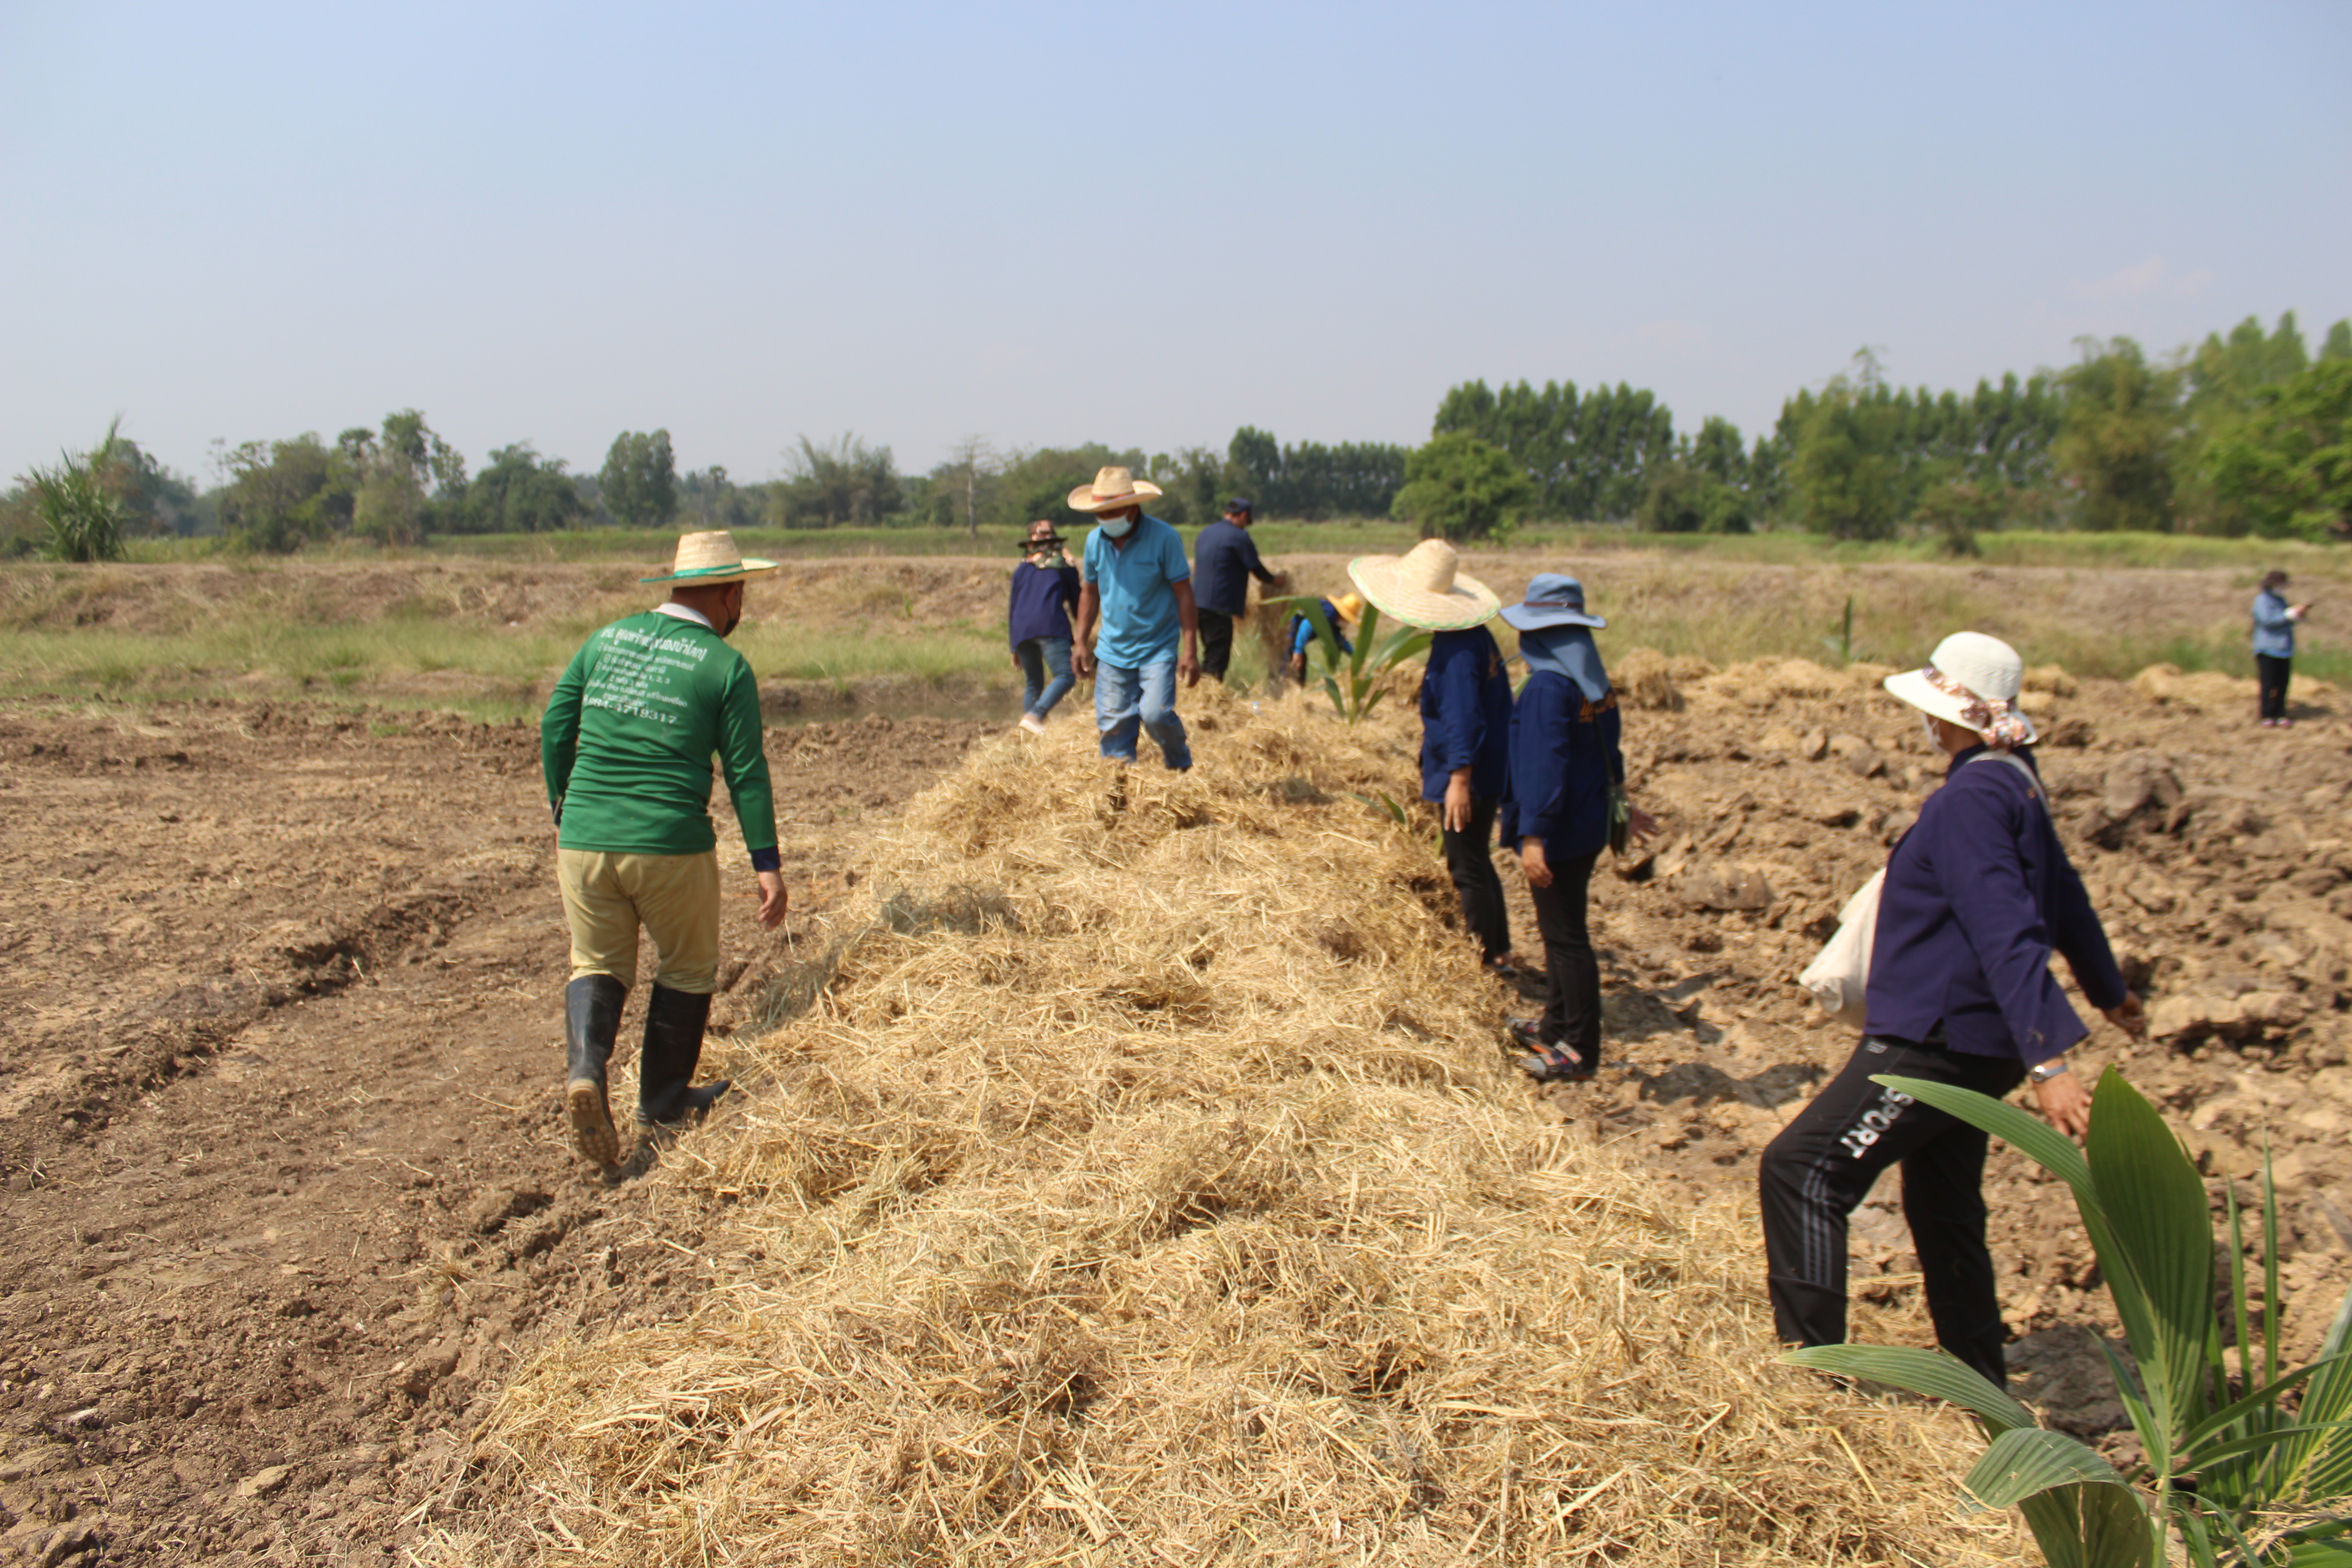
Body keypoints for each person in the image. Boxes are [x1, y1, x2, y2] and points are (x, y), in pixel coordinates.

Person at [1758, 631, 2147, 1389]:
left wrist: (2049, 1059)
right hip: (1977, 1036)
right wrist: (2108, 989)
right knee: (1941, 1203)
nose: (1925, 724)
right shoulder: (2014, 779)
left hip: (1937, 1035)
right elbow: (2063, 893)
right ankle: (1980, 1385)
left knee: (1802, 1168)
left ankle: (1810, 1377)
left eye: (1934, 711)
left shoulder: (1970, 796)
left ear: (1951, 716)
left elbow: (2004, 925)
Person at [539, 530, 790, 1173]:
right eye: (743, 598)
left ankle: (587, 1069)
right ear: (730, 594)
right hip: (668, 843)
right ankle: (665, 1099)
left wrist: (563, 806)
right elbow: (746, 771)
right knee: (685, 966)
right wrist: (767, 863)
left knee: (596, 959)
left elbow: (555, 726)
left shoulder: (604, 641)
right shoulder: (724, 666)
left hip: (585, 840)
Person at [1496, 574, 1659, 1081]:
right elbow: (1606, 755)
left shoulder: (1547, 686)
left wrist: (1534, 835)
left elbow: (1545, 766)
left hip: (1560, 832)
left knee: (1566, 938)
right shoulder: (1594, 684)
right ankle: (1555, 1024)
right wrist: (1625, 806)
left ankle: (1579, 1049)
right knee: (1559, 930)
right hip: (1586, 824)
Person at [1348, 539, 1516, 974]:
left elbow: (1464, 719)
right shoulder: (1476, 638)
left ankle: (1482, 959)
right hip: (1491, 764)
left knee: (1465, 864)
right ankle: (1499, 949)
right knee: (1477, 856)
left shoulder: (1456, 651)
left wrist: (1459, 778)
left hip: (1469, 772)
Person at [1070, 466, 1199, 770]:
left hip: (1157, 647)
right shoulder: (1094, 542)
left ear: (1133, 507)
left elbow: (1184, 593)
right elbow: (1090, 592)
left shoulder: (1164, 538)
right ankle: (1119, 796)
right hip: (1113, 650)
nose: (1107, 519)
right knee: (1114, 730)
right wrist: (1080, 642)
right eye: (1101, 513)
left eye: (1113, 511)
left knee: (1156, 715)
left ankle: (1180, 766)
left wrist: (1191, 651)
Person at [1191, 498, 1287, 681]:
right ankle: (1207, 694)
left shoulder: (1206, 533)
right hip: (1218, 605)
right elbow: (1256, 569)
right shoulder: (1239, 537)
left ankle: (1203, 690)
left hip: (1197, 603)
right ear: (1244, 516)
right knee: (1218, 654)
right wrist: (1275, 581)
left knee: (1210, 649)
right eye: (1246, 521)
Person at [1009, 519, 1082, 734]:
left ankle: (1028, 734)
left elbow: (1013, 607)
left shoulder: (1022, 569)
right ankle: (1036, 715)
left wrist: (1014, 645)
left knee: (1033, 684)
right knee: (1066, 676)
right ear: (1031, 539)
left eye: (1049, 534)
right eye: (1042, 534)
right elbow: (1076, 600)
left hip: (1023, 631)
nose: (1046, 538)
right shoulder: (1061, 567)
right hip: (1049, 626)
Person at [2252, 569, 2311, 729]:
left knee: (2283, 683)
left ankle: (2280, 714)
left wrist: (2298, 615)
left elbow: (2287, 620)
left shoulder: (2281, 600)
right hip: (2267, 648)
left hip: (2284, 648)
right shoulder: (2262, 601)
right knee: (2268, 684)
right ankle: (2266, 714)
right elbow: (2267, 621)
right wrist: (2290, 615)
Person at [1284, 593, 1364, 686]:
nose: (1348, 623)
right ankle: (1283, 688)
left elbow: (1339, 641)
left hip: (1294, 635)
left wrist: (1357, 658)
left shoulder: (1334, 622)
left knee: (1300, 663)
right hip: (1289, 630)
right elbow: (1307, 625)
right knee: (1289, 659)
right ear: (1343, 615)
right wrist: (1298, 651)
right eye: (1348, 619)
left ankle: (1298, 688)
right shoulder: (1330, 613)